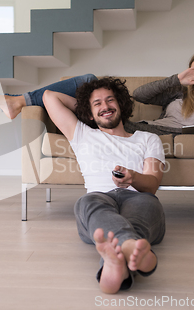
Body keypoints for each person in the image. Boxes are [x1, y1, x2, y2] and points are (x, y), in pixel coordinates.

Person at [42, 77, 166, 294]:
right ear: (89, 113)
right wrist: (85, 109)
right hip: (99, 197)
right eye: (97, 104)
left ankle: (114, 264)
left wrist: (133, 178)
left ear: (121, 105)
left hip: (139, 197)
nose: (106, 106)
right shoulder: (81, 133)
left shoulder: (148, 139)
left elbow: (152, 184)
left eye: (110, 101)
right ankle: (133, 251)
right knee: (87, 202)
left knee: (148, 204)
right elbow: (49, 96)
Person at [0, 49, 194, 135]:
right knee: (87, 79)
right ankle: (14, 102)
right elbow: (141, 95)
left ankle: (11, 102)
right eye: (193, 72)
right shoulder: (178, 95)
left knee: (78, 86)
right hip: (132, 126)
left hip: (136, 134)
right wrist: (178, 79)